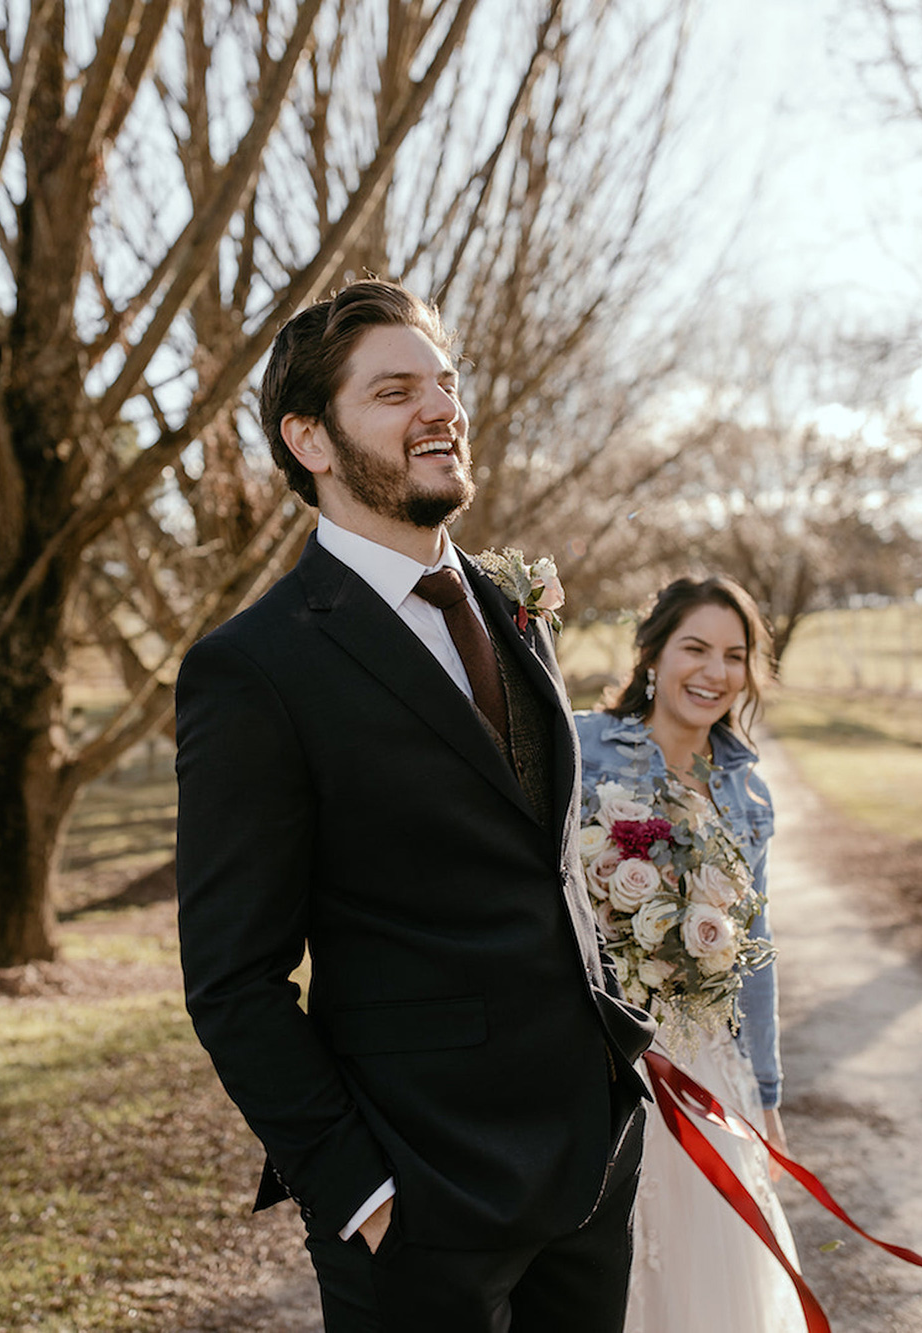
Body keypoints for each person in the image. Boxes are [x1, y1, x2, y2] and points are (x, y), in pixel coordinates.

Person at [174, 278, 656, 1332]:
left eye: (443, 382)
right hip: (420, 1201)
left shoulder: (508, 611)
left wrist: (616, 1080)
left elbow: (537, 861)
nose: (441, 408)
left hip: (587, 1165)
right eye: (394, 392)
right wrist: (361, 1193)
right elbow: (230, 980)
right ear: (310, 437)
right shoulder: (254, 669)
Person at [575, 575, 803, 1333]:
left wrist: (765, 1100)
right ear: (652, 654)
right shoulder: (580, 747)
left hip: (707, 1071)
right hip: (597, 1063)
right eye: (695, 648)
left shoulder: (747, 791)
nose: (714, 672)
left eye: (734, 655)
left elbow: (757, 960)